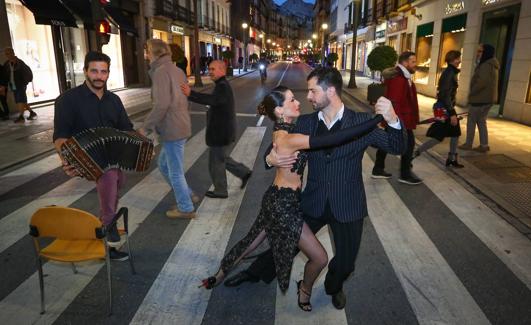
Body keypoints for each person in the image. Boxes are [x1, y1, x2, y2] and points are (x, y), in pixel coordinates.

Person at [223, 67, 406, 310]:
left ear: (330, 91)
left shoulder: (361, 122)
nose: (307, 96)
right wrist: (270, 159)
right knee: (285, 241)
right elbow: (278, 146)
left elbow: (397, 147)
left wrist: (393, 119)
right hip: (314, 200)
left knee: (346, 263)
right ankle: (254, 273)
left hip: (348, 203)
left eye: (312, 90)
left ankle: (334, 286)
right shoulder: (306, 123)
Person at [53, 51, 133, 261]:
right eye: (94, 71)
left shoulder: (114, 100)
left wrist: (143, 144)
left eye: (103, 72)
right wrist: (66, 160)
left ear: (108, 73)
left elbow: (127, 129)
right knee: (110, 175)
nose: (99, 76)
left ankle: (105, 224)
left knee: (116, 177)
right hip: (82, 157)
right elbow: (60, 136)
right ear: (85, 71)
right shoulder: (67, 100)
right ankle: (108, 224)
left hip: (110, 156)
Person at [139, 39, 197, 219]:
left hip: (172, 127)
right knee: (164, 164)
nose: (145, 55)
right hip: (180, 124)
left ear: (153, 53)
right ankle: (187, 195)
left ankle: (186, 207)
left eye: (147, 51)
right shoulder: (178, 70)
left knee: (174, 170)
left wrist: (145, 127)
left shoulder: (161, 72)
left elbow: (161, 104)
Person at [181, 60, 252, 198]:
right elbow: (216, 102)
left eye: (213, 69)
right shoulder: (221, 85)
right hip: (222, 131)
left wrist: (191, 94)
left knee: (215, 163)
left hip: (221, 132)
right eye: (209, 69)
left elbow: (213, 100)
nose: (210, 71)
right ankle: (244, 173)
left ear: (222, 70)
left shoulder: (223, 86)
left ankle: (221, 190)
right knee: (221, 159)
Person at [371, 51, 421, 185]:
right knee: (409, 145)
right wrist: (396, 123)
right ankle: (405, 174)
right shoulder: (399, 78)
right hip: (400, 119)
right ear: (405, 63)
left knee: (386, 142)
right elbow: (394, 102)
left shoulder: (404, 76)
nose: (415, 64)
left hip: (400, 118)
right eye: (413, 61)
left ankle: (378, 168)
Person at [414, 50, 464, 168]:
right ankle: (416, 152)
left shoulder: (451, 72)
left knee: (455, 133)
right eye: (458, 58)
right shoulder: (449, 73)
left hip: (447, 107)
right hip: (446, 109)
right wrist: (452, 113)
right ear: (452, 59)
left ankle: (451, 159)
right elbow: (445, 95)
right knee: (438, 137)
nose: (460, 61)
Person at [459, 44, 499, 153]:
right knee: (481, 121)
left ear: (486, 53)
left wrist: (472, 93)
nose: (478, 53)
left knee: (471, 121)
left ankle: (468, 143)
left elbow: (481, 82)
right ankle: (484, 145)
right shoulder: (491, 64)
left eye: (480, 51)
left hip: (480, 98)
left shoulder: (486, 65)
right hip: (486, 98)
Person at [3, 47, 36, 123]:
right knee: (22, 101)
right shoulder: (7, 64)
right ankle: (32, 113)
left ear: (13, 53)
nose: (8, 55)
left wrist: (24, 82)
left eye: (9, 53)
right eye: (6, 54)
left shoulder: (19, 62)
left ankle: (21, 116)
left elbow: (26, 72)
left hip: (20, 85)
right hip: (13, 85)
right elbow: (4, 74)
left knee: (19, 100)